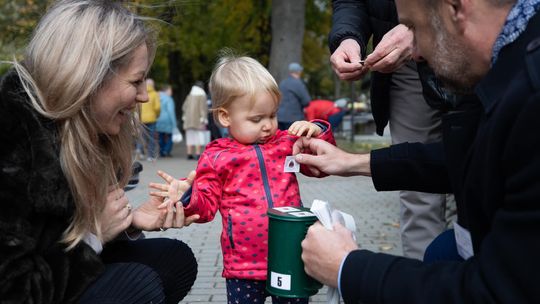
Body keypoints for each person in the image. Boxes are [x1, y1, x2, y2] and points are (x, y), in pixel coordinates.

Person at [296, 0, 540, 302]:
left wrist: (347, 267)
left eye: (414, 27)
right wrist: (353, 162)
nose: (415, 53)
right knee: (442, 250)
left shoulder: (530, 101)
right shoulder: (513, 63)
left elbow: (498, 292)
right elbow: (472, 161)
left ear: (455, 8)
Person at [0, 1, 199, 303]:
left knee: (174, 259)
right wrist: (94, 236)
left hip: (59, 273)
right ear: (88, 78)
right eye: (135, 81)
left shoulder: (85, 130)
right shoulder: (12, 138)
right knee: (138, 286)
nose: (144, 96)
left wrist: (130, 221)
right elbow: (13, 289)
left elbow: (63, 236)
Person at [150, 55, 336, 304]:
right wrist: (186, 194)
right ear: (226, 117)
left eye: (272, 115)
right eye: (256, 119)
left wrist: (317, 133)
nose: (268, 126)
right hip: (244, 264)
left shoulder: (285, 143)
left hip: (291, 254)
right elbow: (204, 208)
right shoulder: (216, 156)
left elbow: (321, 167)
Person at [329, 0, 455, 260]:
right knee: (418, 195)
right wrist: (348, 38)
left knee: (481, 174)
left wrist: (420, 26)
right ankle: (424, 287)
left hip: (475, 39)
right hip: (403, 65)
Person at [277, 62, 311, 130]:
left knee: (282, 139)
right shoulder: (298, 83)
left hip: (279, 118)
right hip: (293, 119)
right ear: (298, 71)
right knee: (292, 140)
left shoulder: (283, 83)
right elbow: (307, 101)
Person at [182, 81, 208, 160]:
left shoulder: (189, 95)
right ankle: (197, 154)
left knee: (190, 136)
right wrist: (203, 118)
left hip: (188, 119)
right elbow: (203, 108)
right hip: (198, 119)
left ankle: (189, 154)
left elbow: (183, 107)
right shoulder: (202, 95)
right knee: (198, 136)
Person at [137, 78, 161, 161]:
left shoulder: (140, 92)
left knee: (141, 136)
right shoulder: (155, 94)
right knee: (151, 137)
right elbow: (157, 107)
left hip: (141, 118)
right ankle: (150, 156)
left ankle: (139, 150)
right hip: (152, 118)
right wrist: (157, 114)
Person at [156, 84, 177, 157]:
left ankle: (161, 151)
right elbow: (171, 112)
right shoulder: (169, 99)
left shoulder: (156, 97)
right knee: (170, 136)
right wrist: (174, 124)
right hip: (167, 120)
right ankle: (166, 150)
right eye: (170, 90)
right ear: (166, 90)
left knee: (161, 136)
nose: (171, 92)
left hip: (157, 119)